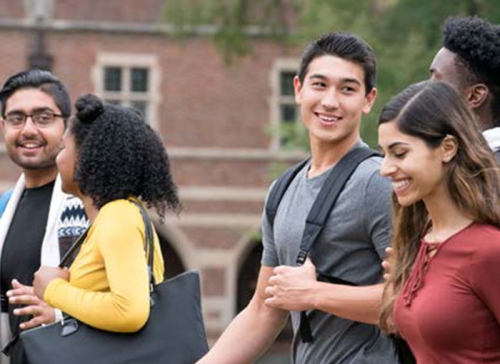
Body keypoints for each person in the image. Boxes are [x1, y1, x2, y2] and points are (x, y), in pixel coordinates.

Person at [198, 32, 397, 364]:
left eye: (347, 89)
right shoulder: (282, 188)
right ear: (298, 89)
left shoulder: (378, 182)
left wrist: (315, 293)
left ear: (368, 99)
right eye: (319, 85)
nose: (330, 102)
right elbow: (264, 309)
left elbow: (414, 301)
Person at [32, 94, 180, 335]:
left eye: (63, 148)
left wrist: (53, 289)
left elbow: (128, 312)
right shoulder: (113, 217)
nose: (57, 159)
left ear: (85, 157)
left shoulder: (118, 216)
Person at [378, 80, 500, 363]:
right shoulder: (424, 241)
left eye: (400, 153)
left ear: (447, 148)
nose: (385, 168)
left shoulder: (489, 250)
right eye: (384, 153)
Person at [0, 70, 88, 364]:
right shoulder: (4, 209)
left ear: (66, 126)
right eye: (16, 118)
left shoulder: (94, 203)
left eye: (43, 118)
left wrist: (60, 314)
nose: (28, 130)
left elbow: (132, 300)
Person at [429, 16, 500, 158]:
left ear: (475, 96)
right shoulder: (468, 160)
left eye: (436, 81)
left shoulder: (489, 172)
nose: (425, 91)